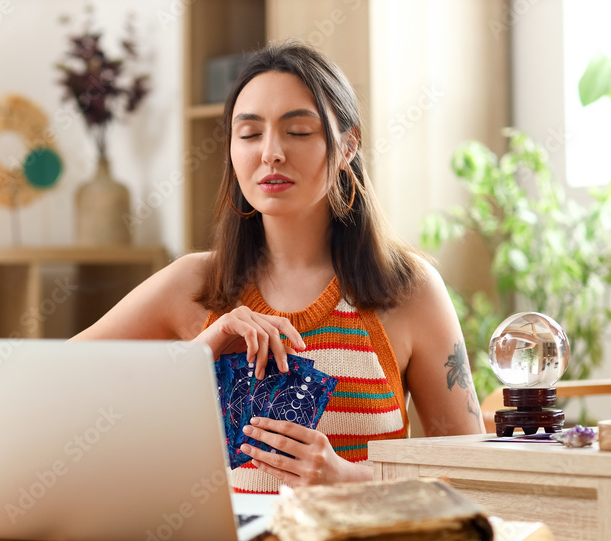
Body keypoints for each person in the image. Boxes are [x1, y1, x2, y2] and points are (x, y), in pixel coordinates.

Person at [73, 41, 485, 492]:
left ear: (348, 146)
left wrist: (346, 478)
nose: (271, 153)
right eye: (249, 134)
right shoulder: (192, 284)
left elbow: (471, 472)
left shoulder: (410, 290)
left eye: (299, 132)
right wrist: (198, 355)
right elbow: (51, 387)